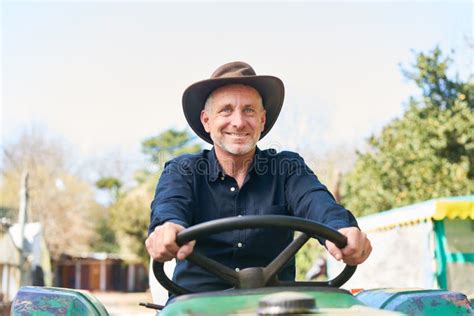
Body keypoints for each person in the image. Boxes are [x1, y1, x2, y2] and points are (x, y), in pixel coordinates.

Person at [145, 61, 372, 295]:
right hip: (195, 303)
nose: (239, 122)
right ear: (206, 121)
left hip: (275, 305)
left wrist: (342, 230)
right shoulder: (182, 170)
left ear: (262, 121)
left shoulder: (287, 168)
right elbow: (169, 207)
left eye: (249, 110)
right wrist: (168, 228)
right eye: (225, 110)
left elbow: (317, 203)